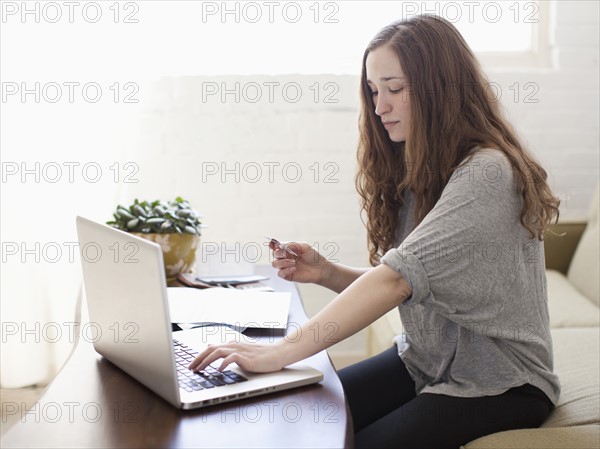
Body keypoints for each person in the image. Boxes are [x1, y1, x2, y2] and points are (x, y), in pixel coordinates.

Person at [189, 15, 560, 448]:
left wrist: (281, 352)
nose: (380, 106)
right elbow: (410, 279)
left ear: (441, 89)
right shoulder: (421, 166)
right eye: (373, 90)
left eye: (396, 89)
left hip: (502, 382)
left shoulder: (487, 175)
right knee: (303, 421)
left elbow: (396, 279)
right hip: (424, 360)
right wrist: (326, 273)